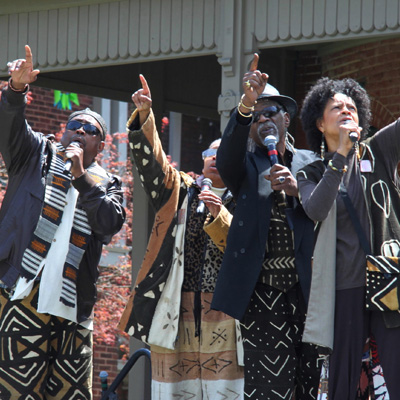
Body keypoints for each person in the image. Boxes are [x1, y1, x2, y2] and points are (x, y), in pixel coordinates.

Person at [0, 45, 126, 399]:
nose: (80, 132)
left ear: (100, 147)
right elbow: (9, 127)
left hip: (72, 306)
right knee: (16, 391)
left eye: (91, 130)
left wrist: (81, 177)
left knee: (70, 395)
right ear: (64, 131)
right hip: (22, 292)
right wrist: (16, 90)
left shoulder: (107, 184)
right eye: (75, 126)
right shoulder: (34, 154)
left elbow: (108, 223)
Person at [118, 75, 244, 399]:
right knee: (175, 392)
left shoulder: (245, 198)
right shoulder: (181, 190)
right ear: (201, 160)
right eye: (209, 152)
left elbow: (242, 250)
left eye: (223, 151)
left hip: (225, 312)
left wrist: (221, 216)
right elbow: (155, 166)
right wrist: (146, 116)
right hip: (175, 306)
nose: (215, 157)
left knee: (224, 391)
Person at [211, 54, 321, 399]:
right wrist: (244, 103)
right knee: (270, 387)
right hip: (262, 292)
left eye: (269, 112)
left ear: (286, 119)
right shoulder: (245, 164)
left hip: (309, 291)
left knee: (309, 383)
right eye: (256, 117)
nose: (263, 120)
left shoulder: (311, 163)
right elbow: (225, 156)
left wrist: (296, 190)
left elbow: (329, 208)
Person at [297, 76, 400, 399]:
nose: (346, 111)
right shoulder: (311, 172)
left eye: (352, 107)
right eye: (336, 107)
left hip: (387, 281)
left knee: (395, 374)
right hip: (344, 287)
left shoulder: (378, 151)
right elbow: (316, 208)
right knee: (344, 379)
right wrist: (340, 155)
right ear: (319, 122)